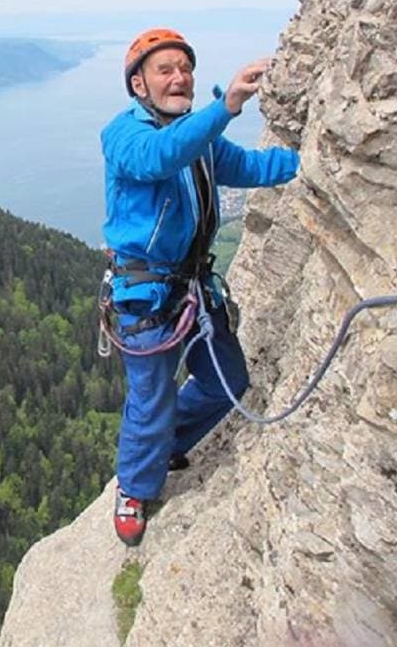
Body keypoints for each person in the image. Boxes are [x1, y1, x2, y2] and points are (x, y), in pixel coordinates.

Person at [101, 27, 299, 546]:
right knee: (150, 398)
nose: (179, 76)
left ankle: (165, 444)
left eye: (184, 68)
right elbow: (159, 158)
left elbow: (252, 167)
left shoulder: (201, 141)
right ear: (139, 86)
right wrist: (227, 106)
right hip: (145, 297)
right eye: (164, 69)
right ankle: (136, 488)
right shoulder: (124, 136)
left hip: (194, 292)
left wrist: (314, 161)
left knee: (228, 383)